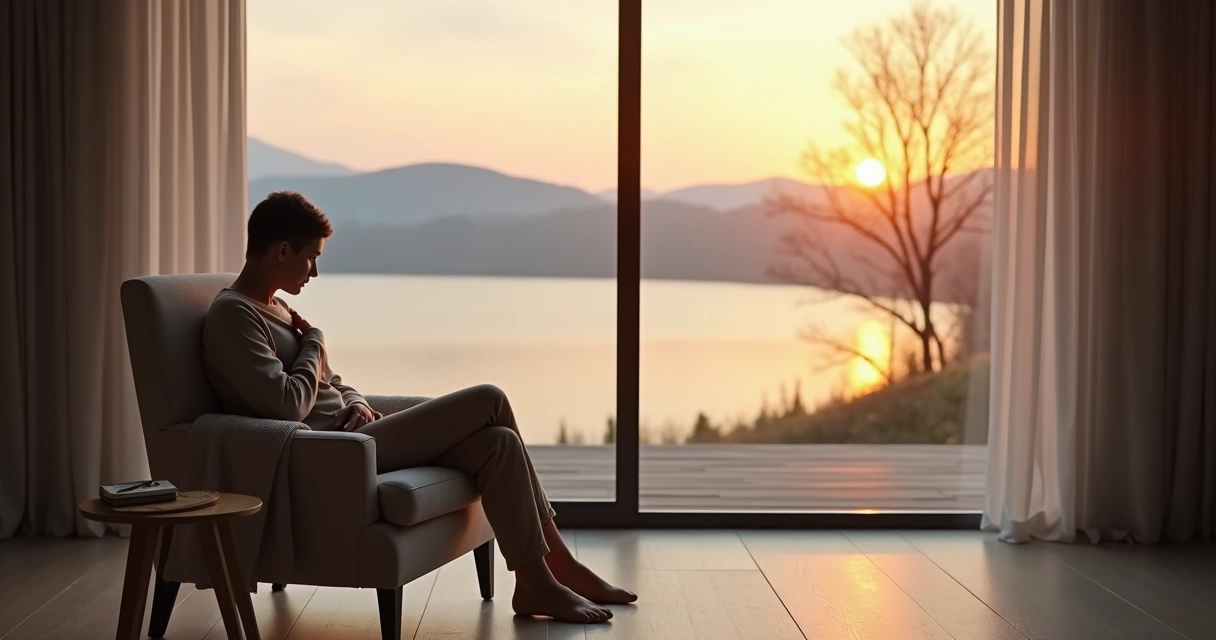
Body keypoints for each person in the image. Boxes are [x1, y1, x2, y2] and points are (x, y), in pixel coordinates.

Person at [201, 191, 636, 624]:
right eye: (311, 257)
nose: (315, 271)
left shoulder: (277, 308)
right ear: (282, 250)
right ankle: (560, 566)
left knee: (498, 444)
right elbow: (288, 405)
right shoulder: (234, 316)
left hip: (358, 436)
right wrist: (314, 339)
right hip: (331, 453)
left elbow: (331, 382)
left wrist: (358, 403)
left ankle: (536, 581)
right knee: (490, 398)